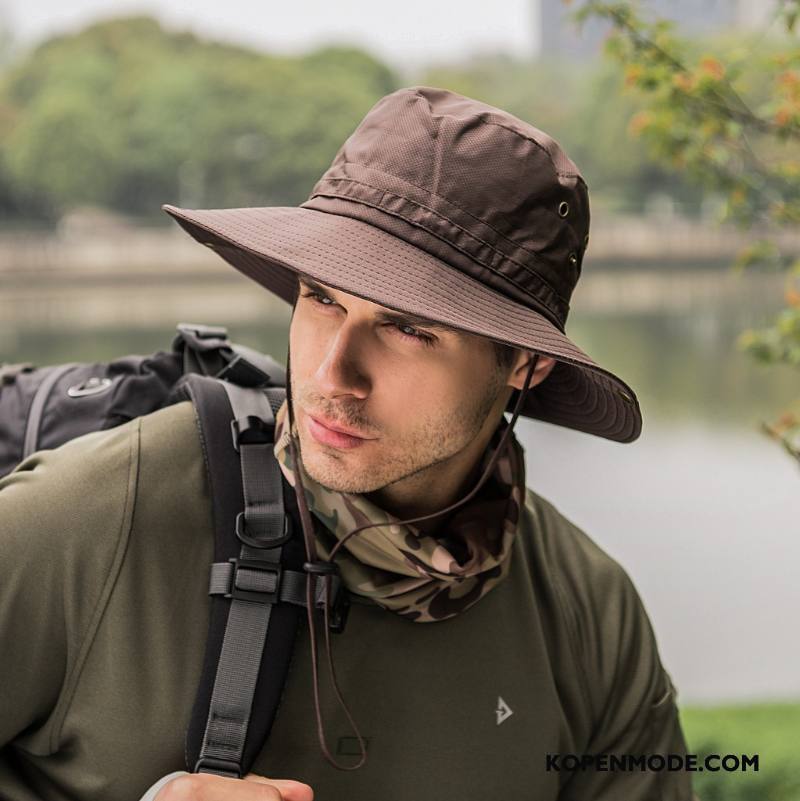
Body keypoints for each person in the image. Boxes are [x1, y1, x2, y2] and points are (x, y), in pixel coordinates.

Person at [0, 86, 698, 800]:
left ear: (526, 364)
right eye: (322, 297)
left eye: (408, 328)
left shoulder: (587, 611)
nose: (333, 373)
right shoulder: (88, 519)